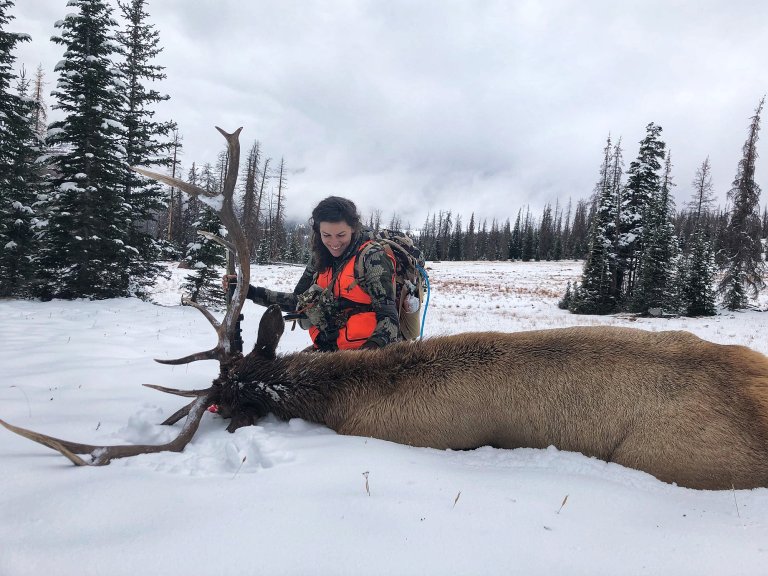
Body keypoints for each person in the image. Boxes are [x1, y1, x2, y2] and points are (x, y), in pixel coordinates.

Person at [235, 196, 399, 352]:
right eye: (326, 235)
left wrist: (367, 355)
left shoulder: (372, 258)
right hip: (328, 349)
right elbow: (297, 301)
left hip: (367, 353)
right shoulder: (319, 257)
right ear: (318, 231)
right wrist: (250, 292)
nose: (334, 243)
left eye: (341, 235)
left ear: (353, 229)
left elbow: (389, 318)